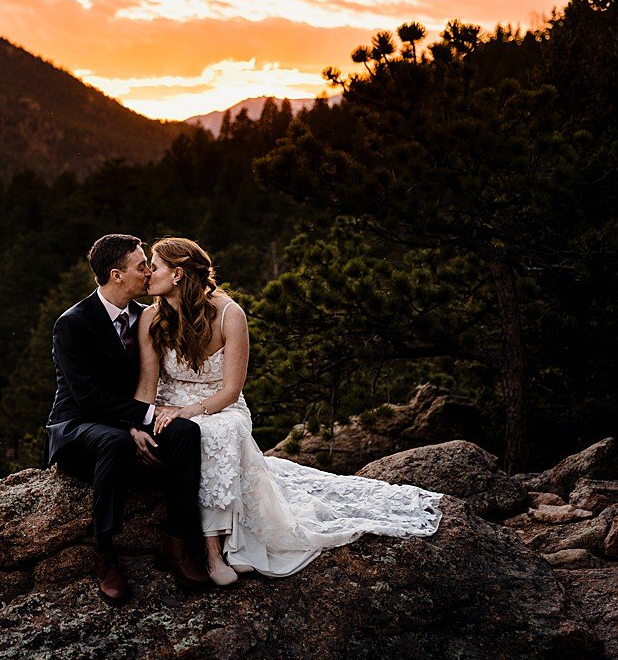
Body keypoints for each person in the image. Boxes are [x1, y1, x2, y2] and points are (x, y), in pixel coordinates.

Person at [136, 237, 441, 583]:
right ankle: (212, 549)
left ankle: (217, 550)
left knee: (221, 429)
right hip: (171, 403)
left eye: (154, 266)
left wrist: (190, 410)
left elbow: (232, 390)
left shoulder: (229, 314)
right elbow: (147, 387)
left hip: (220, 405)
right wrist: (141, 423)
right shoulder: (150, 318)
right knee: (195, 434)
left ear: (177, 274)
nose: (147, 273)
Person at [46, 233, 211, 605]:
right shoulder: (72, 324)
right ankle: (104, 553)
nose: (149, 272)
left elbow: (149, 379)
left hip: (126, 418)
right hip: (77, 427)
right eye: (142, 266)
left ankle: (177, 541)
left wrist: (145, 422)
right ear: (117, 275)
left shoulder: (143, 317)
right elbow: (88, 398)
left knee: (185, 431)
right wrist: (138, 421)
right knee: (115, 441)